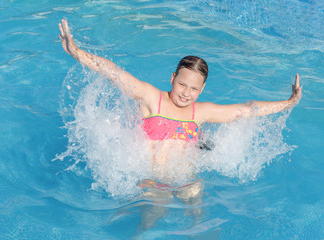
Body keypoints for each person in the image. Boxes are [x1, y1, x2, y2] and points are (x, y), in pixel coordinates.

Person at [59, 19, 302, 230]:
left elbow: (245, 110)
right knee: (157, 212)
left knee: (198, 212)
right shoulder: (151, 98)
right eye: (182, 85)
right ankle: (139, 233)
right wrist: (76, 52)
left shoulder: (200, 112)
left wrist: (288, 102)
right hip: (150, 178)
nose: (186, 93)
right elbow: (114, 73)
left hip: (185, 177)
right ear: (173, 78)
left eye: (194, 89)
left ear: (202, 89)